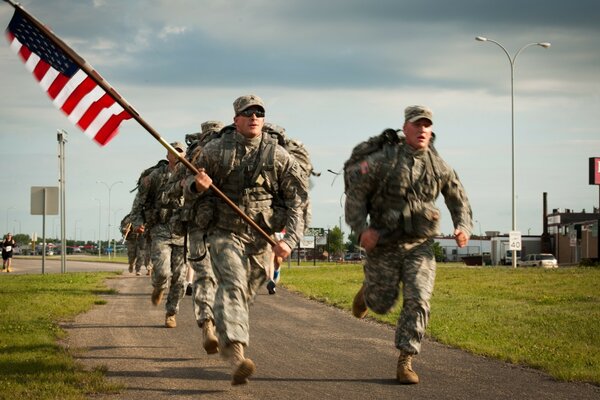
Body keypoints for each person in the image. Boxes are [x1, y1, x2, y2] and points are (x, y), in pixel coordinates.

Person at [343, 105, 472, 384]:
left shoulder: (439, 166)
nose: (422, 129)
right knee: (380, 304)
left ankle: (406, 360)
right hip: (385, 243)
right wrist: (362, 229)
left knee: (418, 298)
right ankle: (368, 292)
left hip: (420, 244)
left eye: (427, 125)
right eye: (417, 124)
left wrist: (463, 226)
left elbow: (457, 198)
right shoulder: (383, 161)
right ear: (405, 128)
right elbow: (356, 194)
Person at [188, 95, 307, 385]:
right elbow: (185, 188)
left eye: (259, 113)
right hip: (223, 233)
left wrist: (289, 240)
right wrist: (196, 185)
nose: (254, 117)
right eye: (247, 113)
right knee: (233, 285)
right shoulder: (215, 151)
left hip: (260, 238)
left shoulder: (278, 156)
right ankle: (238, 355)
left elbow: (298, 201)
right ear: (236, 120)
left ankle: (225, 329)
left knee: (244, 294)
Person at [130, 141, 190, 329]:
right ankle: (159, 285)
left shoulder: (191, 175)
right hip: (160, 230)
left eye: (181, 152)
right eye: (174, 152)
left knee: (180, 278)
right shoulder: (154, 177)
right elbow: (138, 203)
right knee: (163, 271)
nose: (178, 155)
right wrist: (138, 223)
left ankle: (171, 312)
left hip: (182, 231)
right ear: (168, 156)